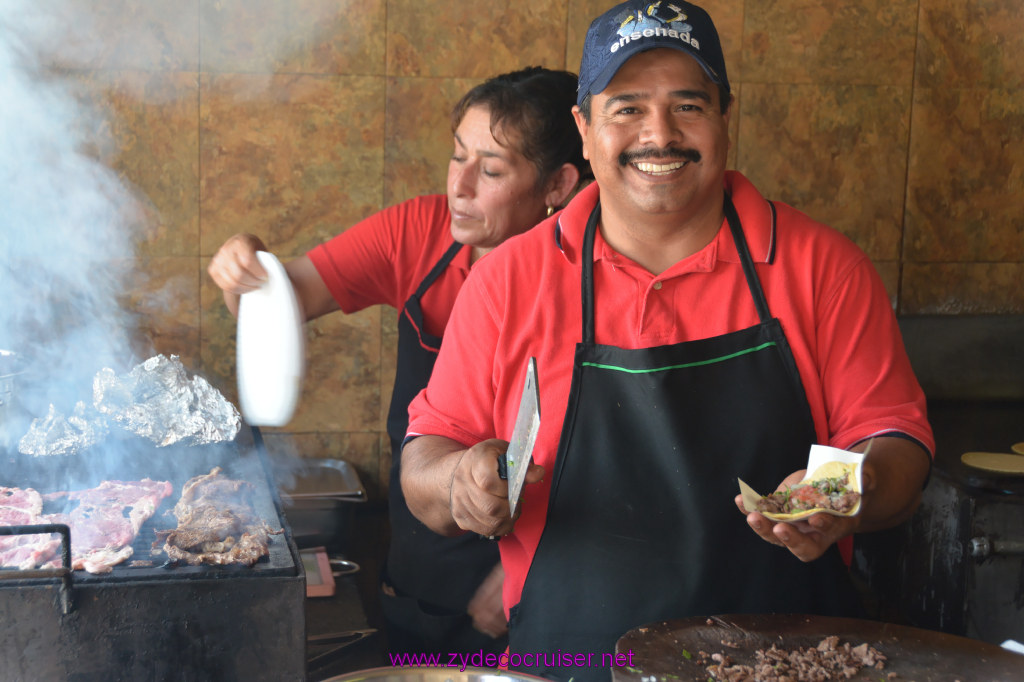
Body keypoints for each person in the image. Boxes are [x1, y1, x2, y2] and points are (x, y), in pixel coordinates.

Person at [400, 2, 934, 680]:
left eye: (688, 105)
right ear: (584, 129)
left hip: (784, 665)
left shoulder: (822, 267)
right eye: (626, 108)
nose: (660, 134)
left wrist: (838, 491)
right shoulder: (509, 281)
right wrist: (460, 482)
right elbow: (426, 461)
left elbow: (894, 446)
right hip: (570, 665)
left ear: (723, 121)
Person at [207, 66, 588, 656]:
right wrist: (246, 268)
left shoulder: (593, 275)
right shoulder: (421, 232)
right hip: (423, 561)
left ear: (558, 186)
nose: (458, 185)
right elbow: (281, 298)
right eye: (457, 156)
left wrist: (532, 572)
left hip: (554, 568)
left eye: (489, 170)